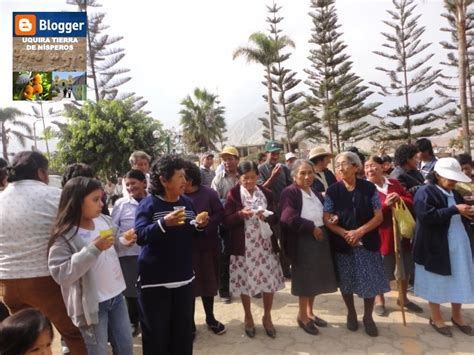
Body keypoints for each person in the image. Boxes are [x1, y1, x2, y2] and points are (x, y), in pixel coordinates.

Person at [0, 151, 86, 354]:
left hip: (7, 282)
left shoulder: (1, 198)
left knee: (26, 342)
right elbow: (75, 232)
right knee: (73, 333)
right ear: (41, 172)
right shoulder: (54, 195)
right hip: (44, 280)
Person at [48, 177, 134, 355]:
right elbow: (62, 274)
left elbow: (113, 245)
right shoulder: (66, 236)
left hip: (117, 296)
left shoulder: (104, 221)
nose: (101, 204)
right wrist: (94, 248)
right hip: (92, 306)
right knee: (97, 351)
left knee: (125, 347)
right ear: (77, 202)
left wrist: (124, 241)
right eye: (95, 199)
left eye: (101, 198)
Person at [134, 155, 209, 355]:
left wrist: (200, 227)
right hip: (155, 283)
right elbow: (140, 236)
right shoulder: (148, 204)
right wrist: (163, 224)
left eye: (185, 176)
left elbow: (192, 234)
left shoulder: (187, 202)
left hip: (184, 280)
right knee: (156, 338)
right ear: (164, 180)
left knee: (183, 336)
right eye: (180, 177)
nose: (185, 181)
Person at [323, 152, 389, 337]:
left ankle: (368, 317)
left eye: (344, 164)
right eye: (337, 165)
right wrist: (345, 233)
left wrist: (359, 232)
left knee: (369, 282)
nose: (340, 168)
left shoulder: (368, 188)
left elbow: (378, 216)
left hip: (366, 242)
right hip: (344, 244)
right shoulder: (333, 190)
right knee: (346, 282)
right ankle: (351, 313)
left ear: (355, 167)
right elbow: (327, 219)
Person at [413, 158, 474, 337]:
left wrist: (468, 211)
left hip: (458, 243)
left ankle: (457, 316)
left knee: (459, 279)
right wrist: (455, 210)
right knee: (436, 281)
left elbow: (460, 211)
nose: (453, 182)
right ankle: (436, 317)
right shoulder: (425, 192)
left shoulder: (454, 193)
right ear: (438, 176)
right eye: (450, 178)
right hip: (435, 246)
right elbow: (426, 216)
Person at [223, 161, 284, 338]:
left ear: (258, 176)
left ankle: (267, 316)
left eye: (252, 178)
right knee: (245, 282)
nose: (249, 182)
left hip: (265, 245)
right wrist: (240, 214)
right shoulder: (233, 195)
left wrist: (266, 216)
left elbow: (275, 217)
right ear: (239, 178)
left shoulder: (266, 193)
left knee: (268, 281)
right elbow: (226, 221)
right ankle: (248, 316)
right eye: (245, 178)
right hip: (244, 247)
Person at [280, 159, 337, 336]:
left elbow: (322, 213)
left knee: (315, 278)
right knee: (305, 279)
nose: (307, 176)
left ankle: (310, 313)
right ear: (294, 176)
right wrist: (311, 228)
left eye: (310, 173)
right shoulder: (290, 192)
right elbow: (287, 217)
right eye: (302, 173)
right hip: (303, 241)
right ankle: (302, 316)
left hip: (320, 239)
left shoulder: (315, 193)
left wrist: (331, 219)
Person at [364, 156, 422, 316]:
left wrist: (400, 199)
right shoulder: (365, 189)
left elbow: (410, 200)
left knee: (404, 268)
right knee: (380, 270)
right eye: (367, 167)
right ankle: (379, 300)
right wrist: (385, 205)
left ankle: (403, 298)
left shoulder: (394, 184)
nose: (370, 170)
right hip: (380, 236)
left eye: (373, 166)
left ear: (383, 167)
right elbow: (365, 213)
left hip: (401, 234)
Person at [183, 161, 226, 339]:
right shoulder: (176, 196)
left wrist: (207, 225)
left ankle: (210, 318)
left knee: (208, 284)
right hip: (186, 249)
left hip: (208, 246)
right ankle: (190, 324)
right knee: (189, 287)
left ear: (191, 179)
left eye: (182, 178)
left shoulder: (209, 193)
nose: (180, 182)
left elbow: (219, 213)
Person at [111, 170, 147, 337]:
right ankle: (133, 321)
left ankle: (148, 320)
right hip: (129, 254)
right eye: (128, 185)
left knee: (149, 289)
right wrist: (122, 239)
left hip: (150, 253)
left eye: (134, 183)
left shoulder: (153, 201)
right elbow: (113, 229)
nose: (131, 187)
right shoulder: (121, 204)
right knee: (131, 290)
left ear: (144, 183)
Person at [258, 140, 292, 278]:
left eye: (277, 153)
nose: (275, 156)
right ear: (267, 154)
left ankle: (285, 269)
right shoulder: (261, 169)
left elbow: (290, 186)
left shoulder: (284, 168)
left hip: (284, 208)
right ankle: (271, 270)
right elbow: (260, 189)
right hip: (269, 209)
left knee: (285, 240)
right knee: (271, 241)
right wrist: (273, 177)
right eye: (272, 153)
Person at [211, 146, 240, 302]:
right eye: (225, 159)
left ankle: (251, 286)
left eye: (230, 158)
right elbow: (215, 202)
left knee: (247, 255)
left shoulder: (244, 176)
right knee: (225, 256)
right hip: (226, 224)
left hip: (244, 222)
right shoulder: (218, 179)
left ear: (237, 160)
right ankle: (224, 291)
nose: (227, 162)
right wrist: (230, 204)